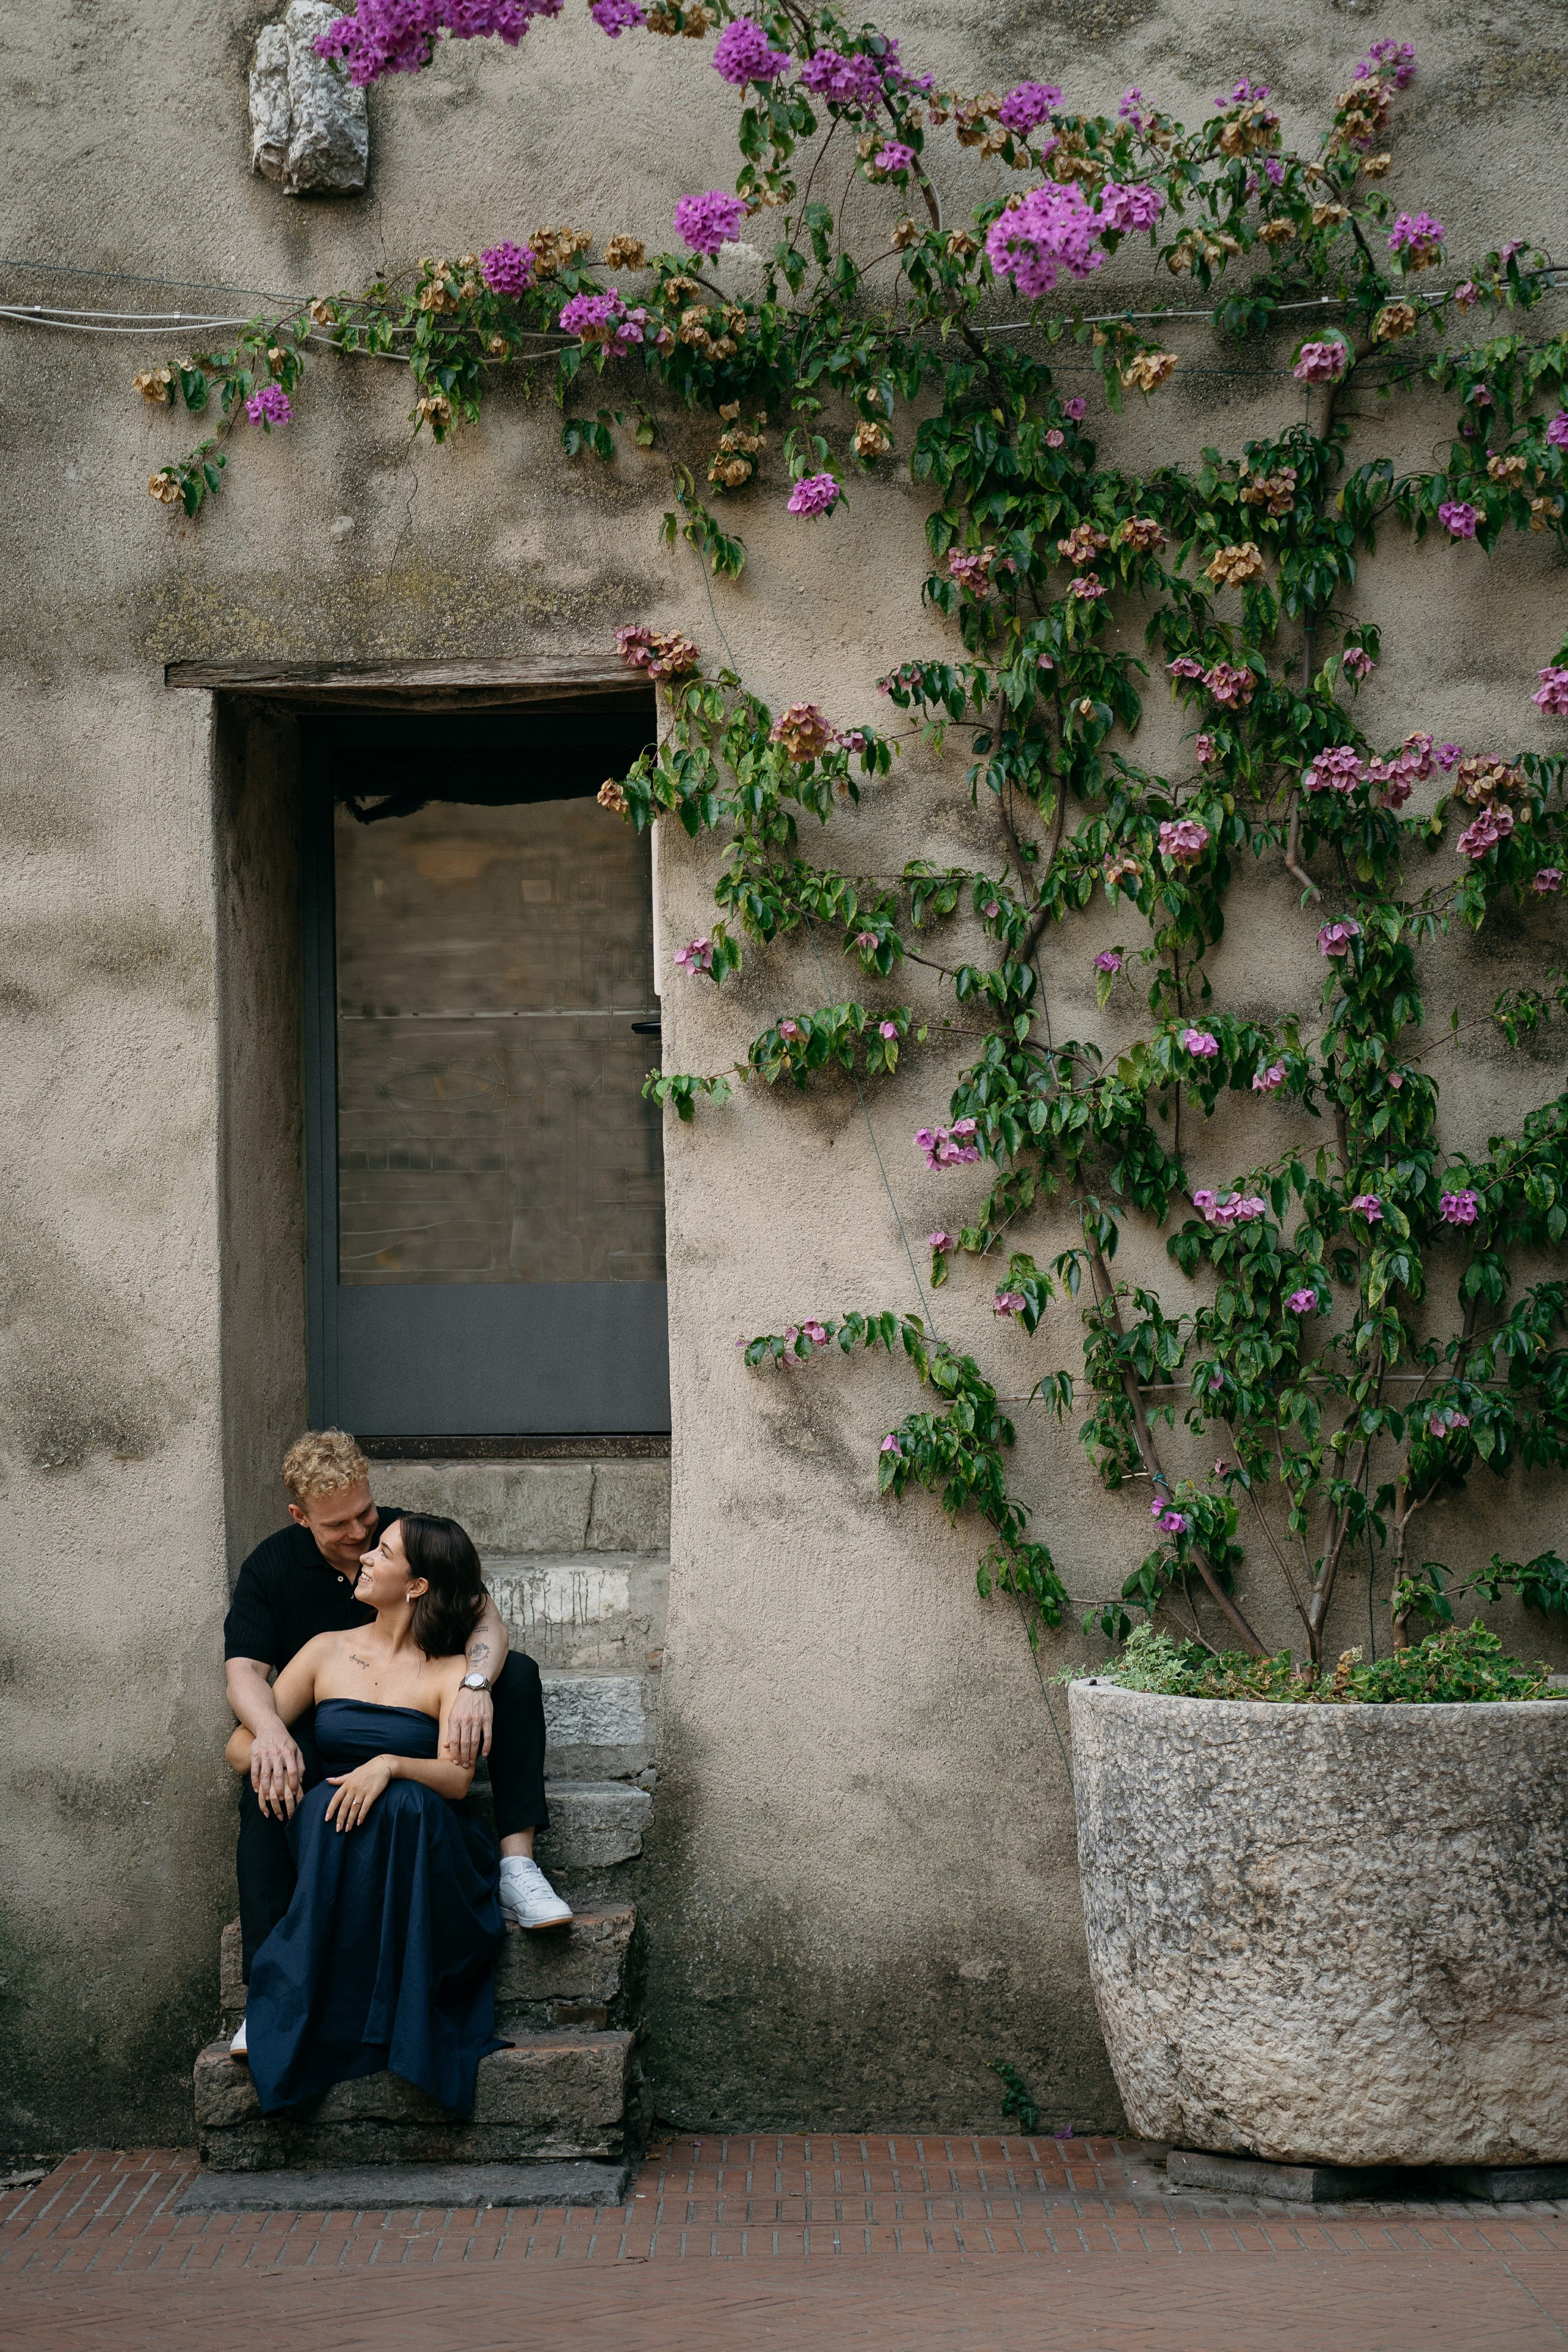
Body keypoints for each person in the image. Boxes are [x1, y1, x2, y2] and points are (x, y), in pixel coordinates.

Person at [224, 1428, 571, 2053]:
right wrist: (273, 1737)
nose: (359, 1535)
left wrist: (470, 1682)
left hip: (419, 1703)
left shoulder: (408, 1541)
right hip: (319, 1717)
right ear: (301, 1517)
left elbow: (484, 1614)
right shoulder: (273, 1568)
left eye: (366, 1516)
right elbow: (245, 1670)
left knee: (513, 1674)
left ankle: (516, 1861)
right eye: (339, 1526)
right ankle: (267, 1993)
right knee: (263, 1790)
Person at [226, 1513, 506, 2114]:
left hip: (418, 1840)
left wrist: (391, 1766)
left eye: (382, 1552)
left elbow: (457, 1781)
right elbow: (237, 1747)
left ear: (417, 1586)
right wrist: (280, 1748)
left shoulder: (451, 1669)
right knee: (329, 1800)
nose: (367, 1559)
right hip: (332, 1832)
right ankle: (302, 2004)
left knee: (404, 1802)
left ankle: (389, 2009)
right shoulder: (326, 1652)